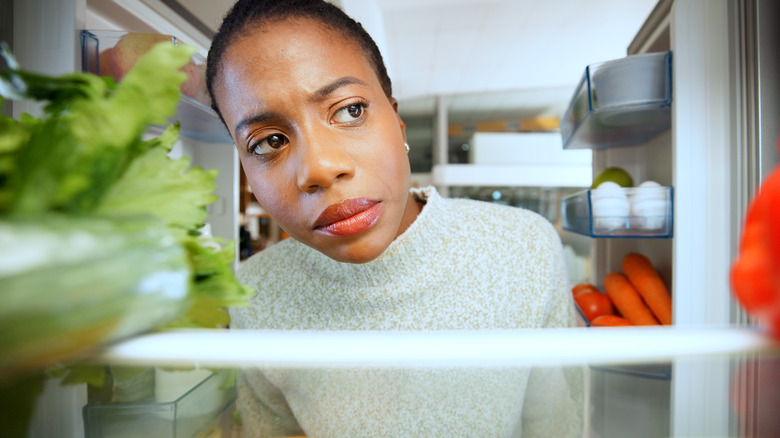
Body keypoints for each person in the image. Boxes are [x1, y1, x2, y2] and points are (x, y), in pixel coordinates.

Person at [206, 0, 583, 436]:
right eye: (269, 141)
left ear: (398, 123)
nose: (320, 169)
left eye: (350, 110)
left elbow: (559, 426)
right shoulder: (256, 294)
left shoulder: (522, 248)